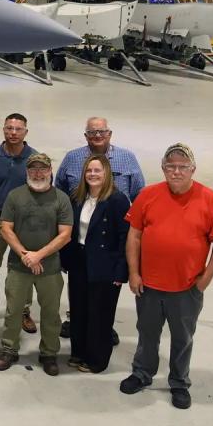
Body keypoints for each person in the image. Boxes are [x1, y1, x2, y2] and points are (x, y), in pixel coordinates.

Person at [120, 143, 213, 410]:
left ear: (193, 169)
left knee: (182, 337)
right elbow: (134, 235)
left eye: (183, 167)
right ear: (163, 168)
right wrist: (134, 273)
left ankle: (179, 382)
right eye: (171, 166)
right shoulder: (148, 195)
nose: (176, 171)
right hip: (149, 285)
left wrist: (205, 279)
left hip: (186, 288)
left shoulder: (209, 198)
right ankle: (142, 373)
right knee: (147, 333)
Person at [0, 153, 72, 376]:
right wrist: (26, 255)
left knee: (51, 313)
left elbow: (65, 235)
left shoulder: (61, 198)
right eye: (33, 169)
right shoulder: (15, 196)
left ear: (50, 172)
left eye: (42, 169)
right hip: (19, 266)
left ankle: (49, 353)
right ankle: (9, 349)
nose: (38, 173)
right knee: (13, 310)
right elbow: (6, 229)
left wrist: (39, 256)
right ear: (27, 172)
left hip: (50, 268)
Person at [58, 154, 130, 373]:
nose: (93, 174)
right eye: (89, 171)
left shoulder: (117, 200)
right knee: (79, 310)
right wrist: (65, 259)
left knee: (100, 314)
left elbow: (124, 237)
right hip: (79, 261)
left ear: (107, 173)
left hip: (105, 265)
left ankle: (96, 360)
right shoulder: (77, 197)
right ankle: (78, 353)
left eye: (98, 170)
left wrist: (121, 272)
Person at [0, 113, 38, 332]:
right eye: (9, 128)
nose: (13, 133)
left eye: (18, 129)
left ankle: (23, 310)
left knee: (24, 266)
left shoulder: (35, 159)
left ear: (25, 132)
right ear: (3, 130)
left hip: (23, 223)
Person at [55, 117, 145, 203]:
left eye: (102, 131)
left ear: (110, 134)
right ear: (86, 136)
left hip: (117, 216)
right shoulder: (71, 157)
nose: (97, 135)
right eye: (92, 132)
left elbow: (139, 195)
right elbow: (60, 192)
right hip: (80, 215)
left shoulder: (127, 157)